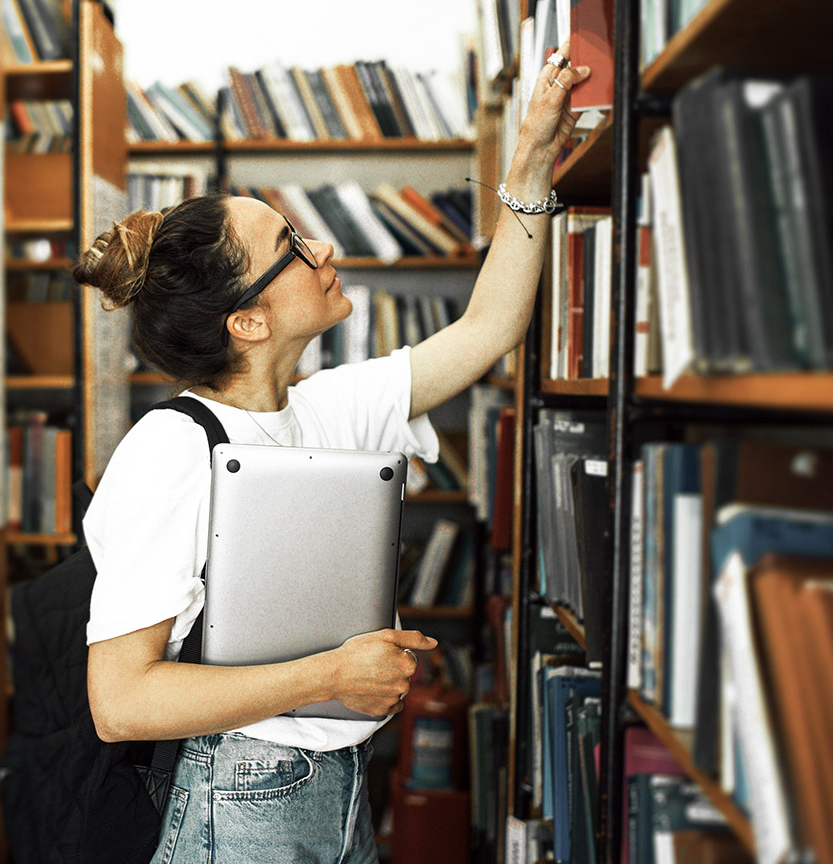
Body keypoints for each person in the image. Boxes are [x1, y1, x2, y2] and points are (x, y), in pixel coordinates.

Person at [70, 46, 592, 864]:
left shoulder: (327, 406)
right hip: (233, 793)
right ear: (246, 322)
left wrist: (526, 167)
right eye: (291, 247)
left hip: (337, 782)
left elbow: (489, 329)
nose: (323, 248)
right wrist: (330, 677)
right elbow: (121, 702)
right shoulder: (169, 453)